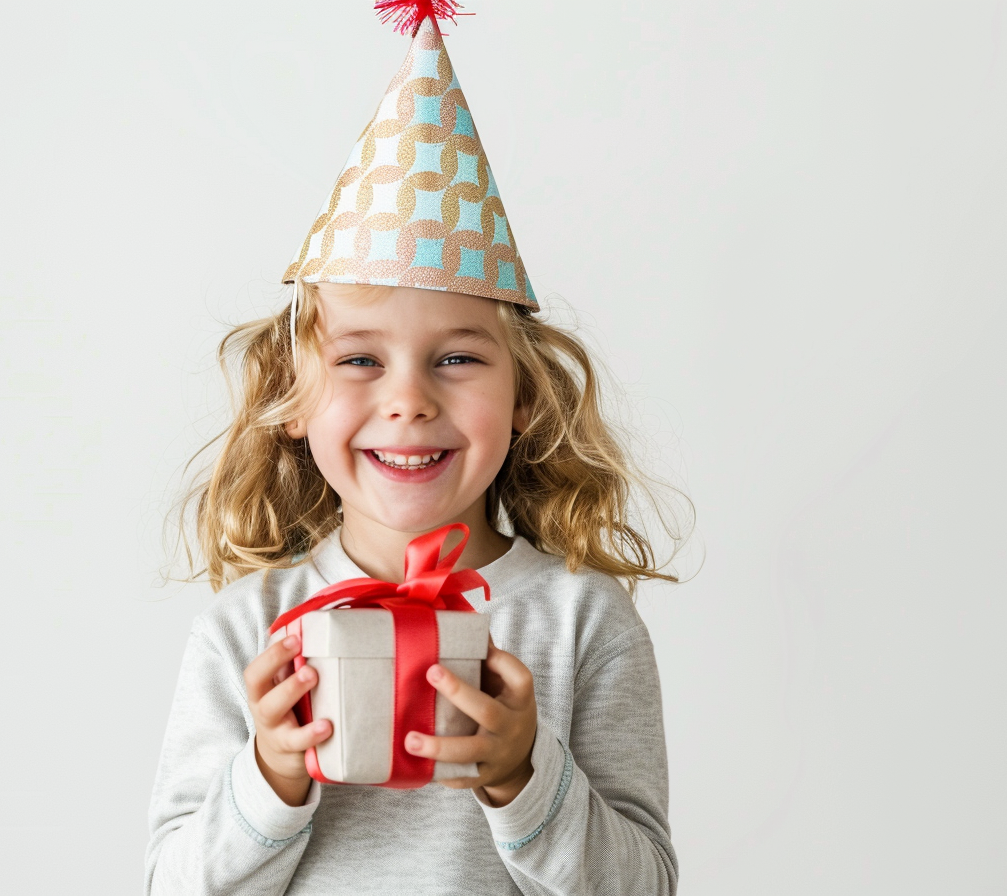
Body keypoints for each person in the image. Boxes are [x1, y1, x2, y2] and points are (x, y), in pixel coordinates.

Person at [145, 6, 694, 894]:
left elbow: (644, 886)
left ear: (523, 398)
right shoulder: (249, 629)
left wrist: (524, 775)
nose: (408, 400)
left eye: (458, 359)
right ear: (292, 400)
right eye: (359, 360)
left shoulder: (582, 624)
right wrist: (273, 775)